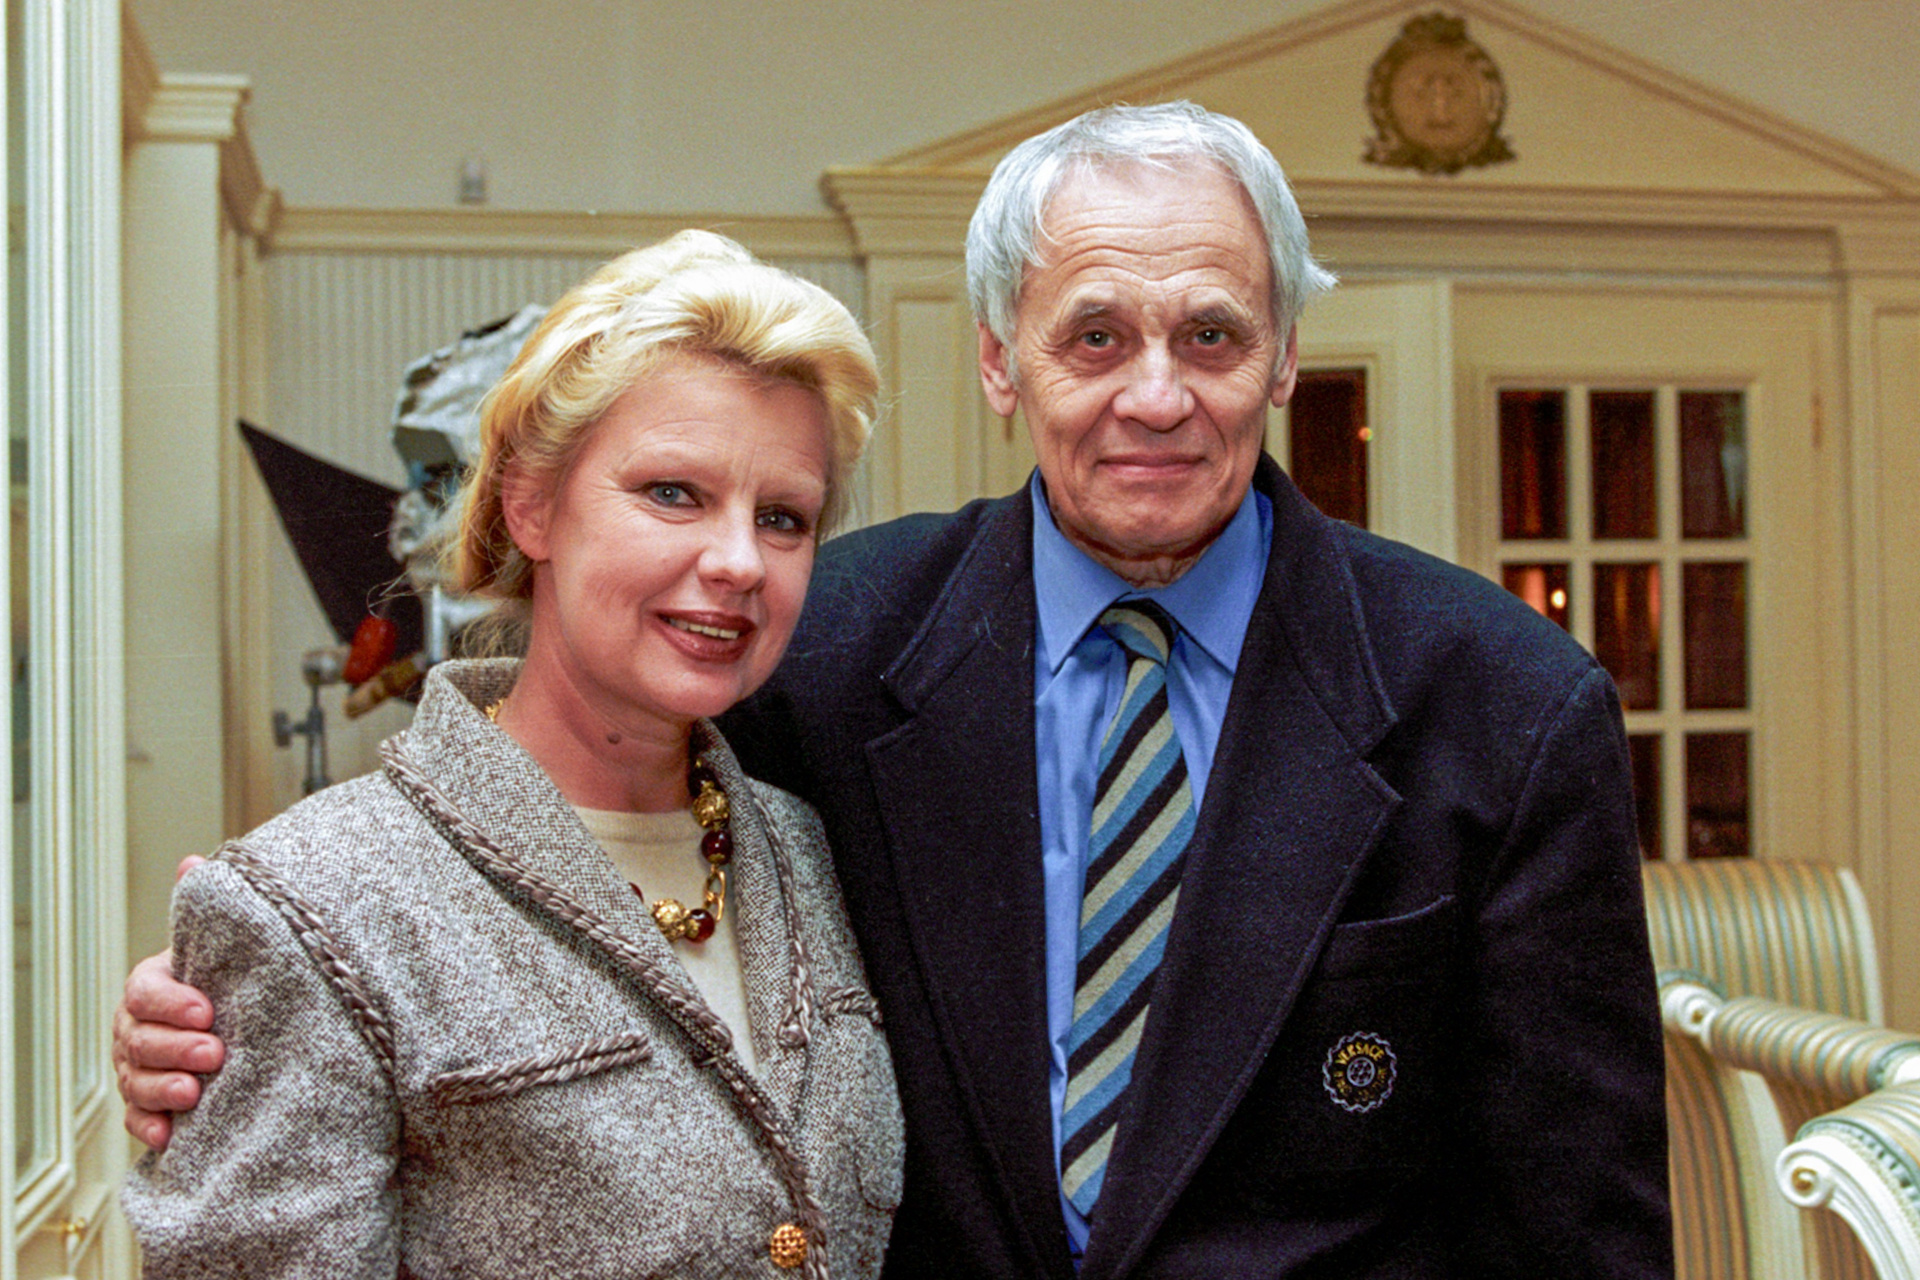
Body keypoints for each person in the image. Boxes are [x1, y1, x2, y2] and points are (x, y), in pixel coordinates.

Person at [117, 103, 1671, 1277]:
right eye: (1094, 335)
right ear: (1000, 361)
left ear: (1281, 361)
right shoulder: (823, 656)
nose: (1156, 392)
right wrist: (269, 994)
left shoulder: (1506, 705)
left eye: (1212, 334)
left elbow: (1581, 1228)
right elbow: (522, 861)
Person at [120, 230, 903, 1278]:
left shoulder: (814, 846)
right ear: (530, 503)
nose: (737, 561)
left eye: (783, 518)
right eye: (672, 492)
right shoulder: (317, 905)